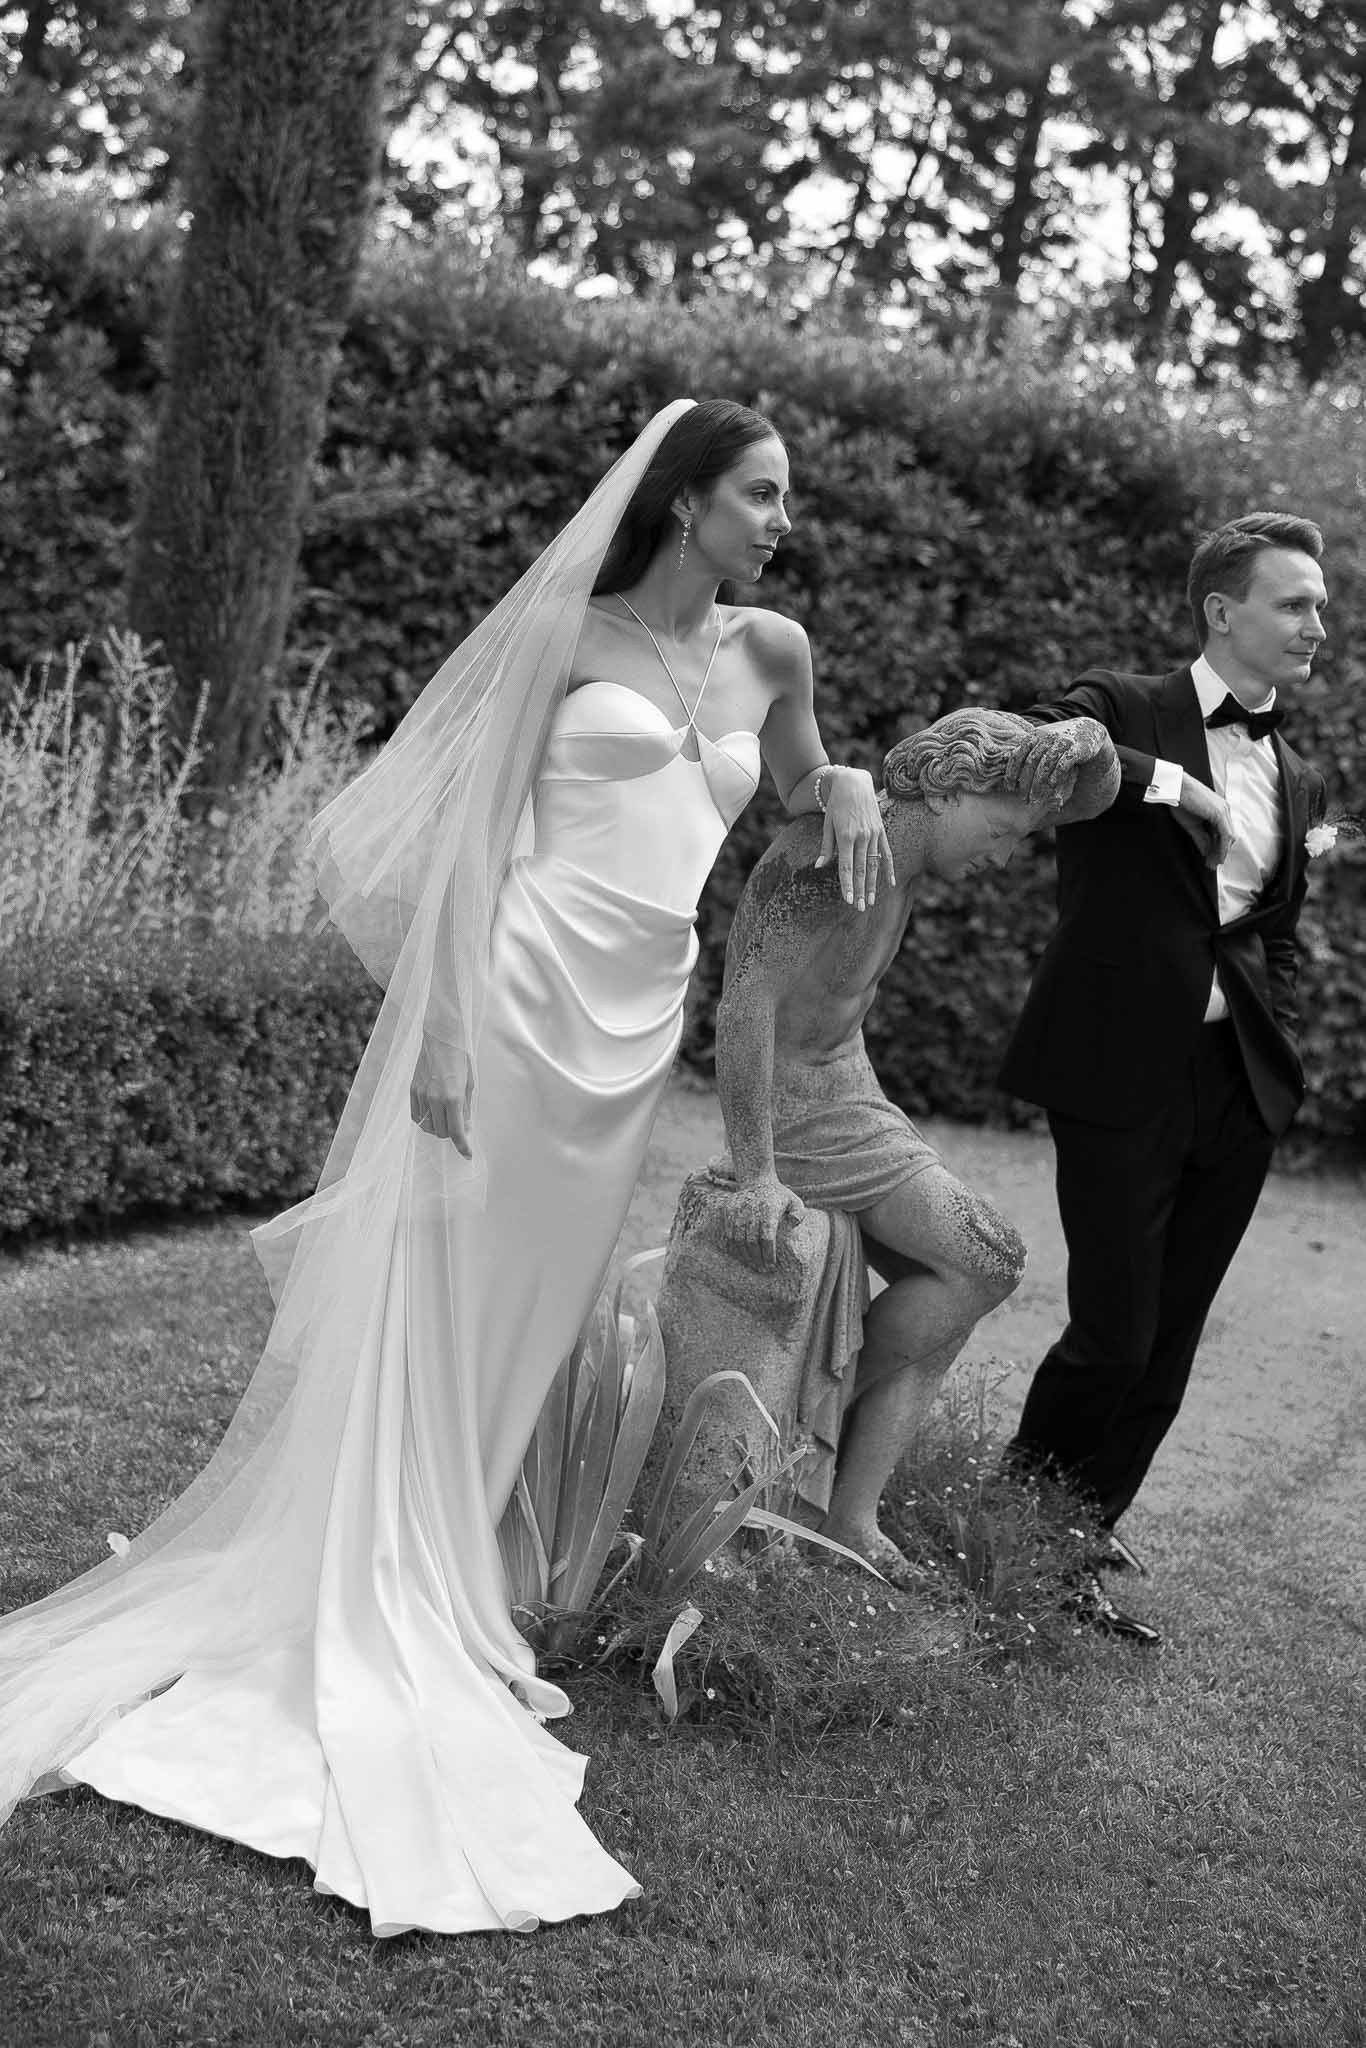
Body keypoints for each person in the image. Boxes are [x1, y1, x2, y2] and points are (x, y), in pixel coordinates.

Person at [0, 398, 892, 1938]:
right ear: (681, 504)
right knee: (447, 1285)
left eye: (783, 499)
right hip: (524, 992)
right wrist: (447, 1036)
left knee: (530, 1313)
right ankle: (380, 1578)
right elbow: (475, 839)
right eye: (756, 494)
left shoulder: (773, 650)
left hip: (634, 1029)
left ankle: (452, 1573)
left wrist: (856, 783)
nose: (777, 518)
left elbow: (801, 794)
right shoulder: (571, 636)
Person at [998, 512, 1330, 1643]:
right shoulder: (1125, 705)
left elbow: (1272, 931)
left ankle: (1077, 1536)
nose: (1315, 627)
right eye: (1293, 604)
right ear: (1220, 611)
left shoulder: (1294, 768)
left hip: (1235, 1085)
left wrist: (1275, 1046)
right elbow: (1027, 744)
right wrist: (1165, 784)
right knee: (1112, 1332)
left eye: (1320, 607)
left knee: (1170, 1341)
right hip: (1115, 1067)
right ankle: (1005, 1522)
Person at [705, 708, 1119, 1580]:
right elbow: (744, 1006)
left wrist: (1080, 744)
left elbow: (834, 1010)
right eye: (1002, 830)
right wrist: (757, 1175)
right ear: (947, 787)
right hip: (799, 1111)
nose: (1004, 857)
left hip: (852, 1099)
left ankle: (851, 1508)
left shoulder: (899, 858)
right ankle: (813, 1413)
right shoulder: (839, 850)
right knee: (983, 1262)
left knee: (986, 1263)